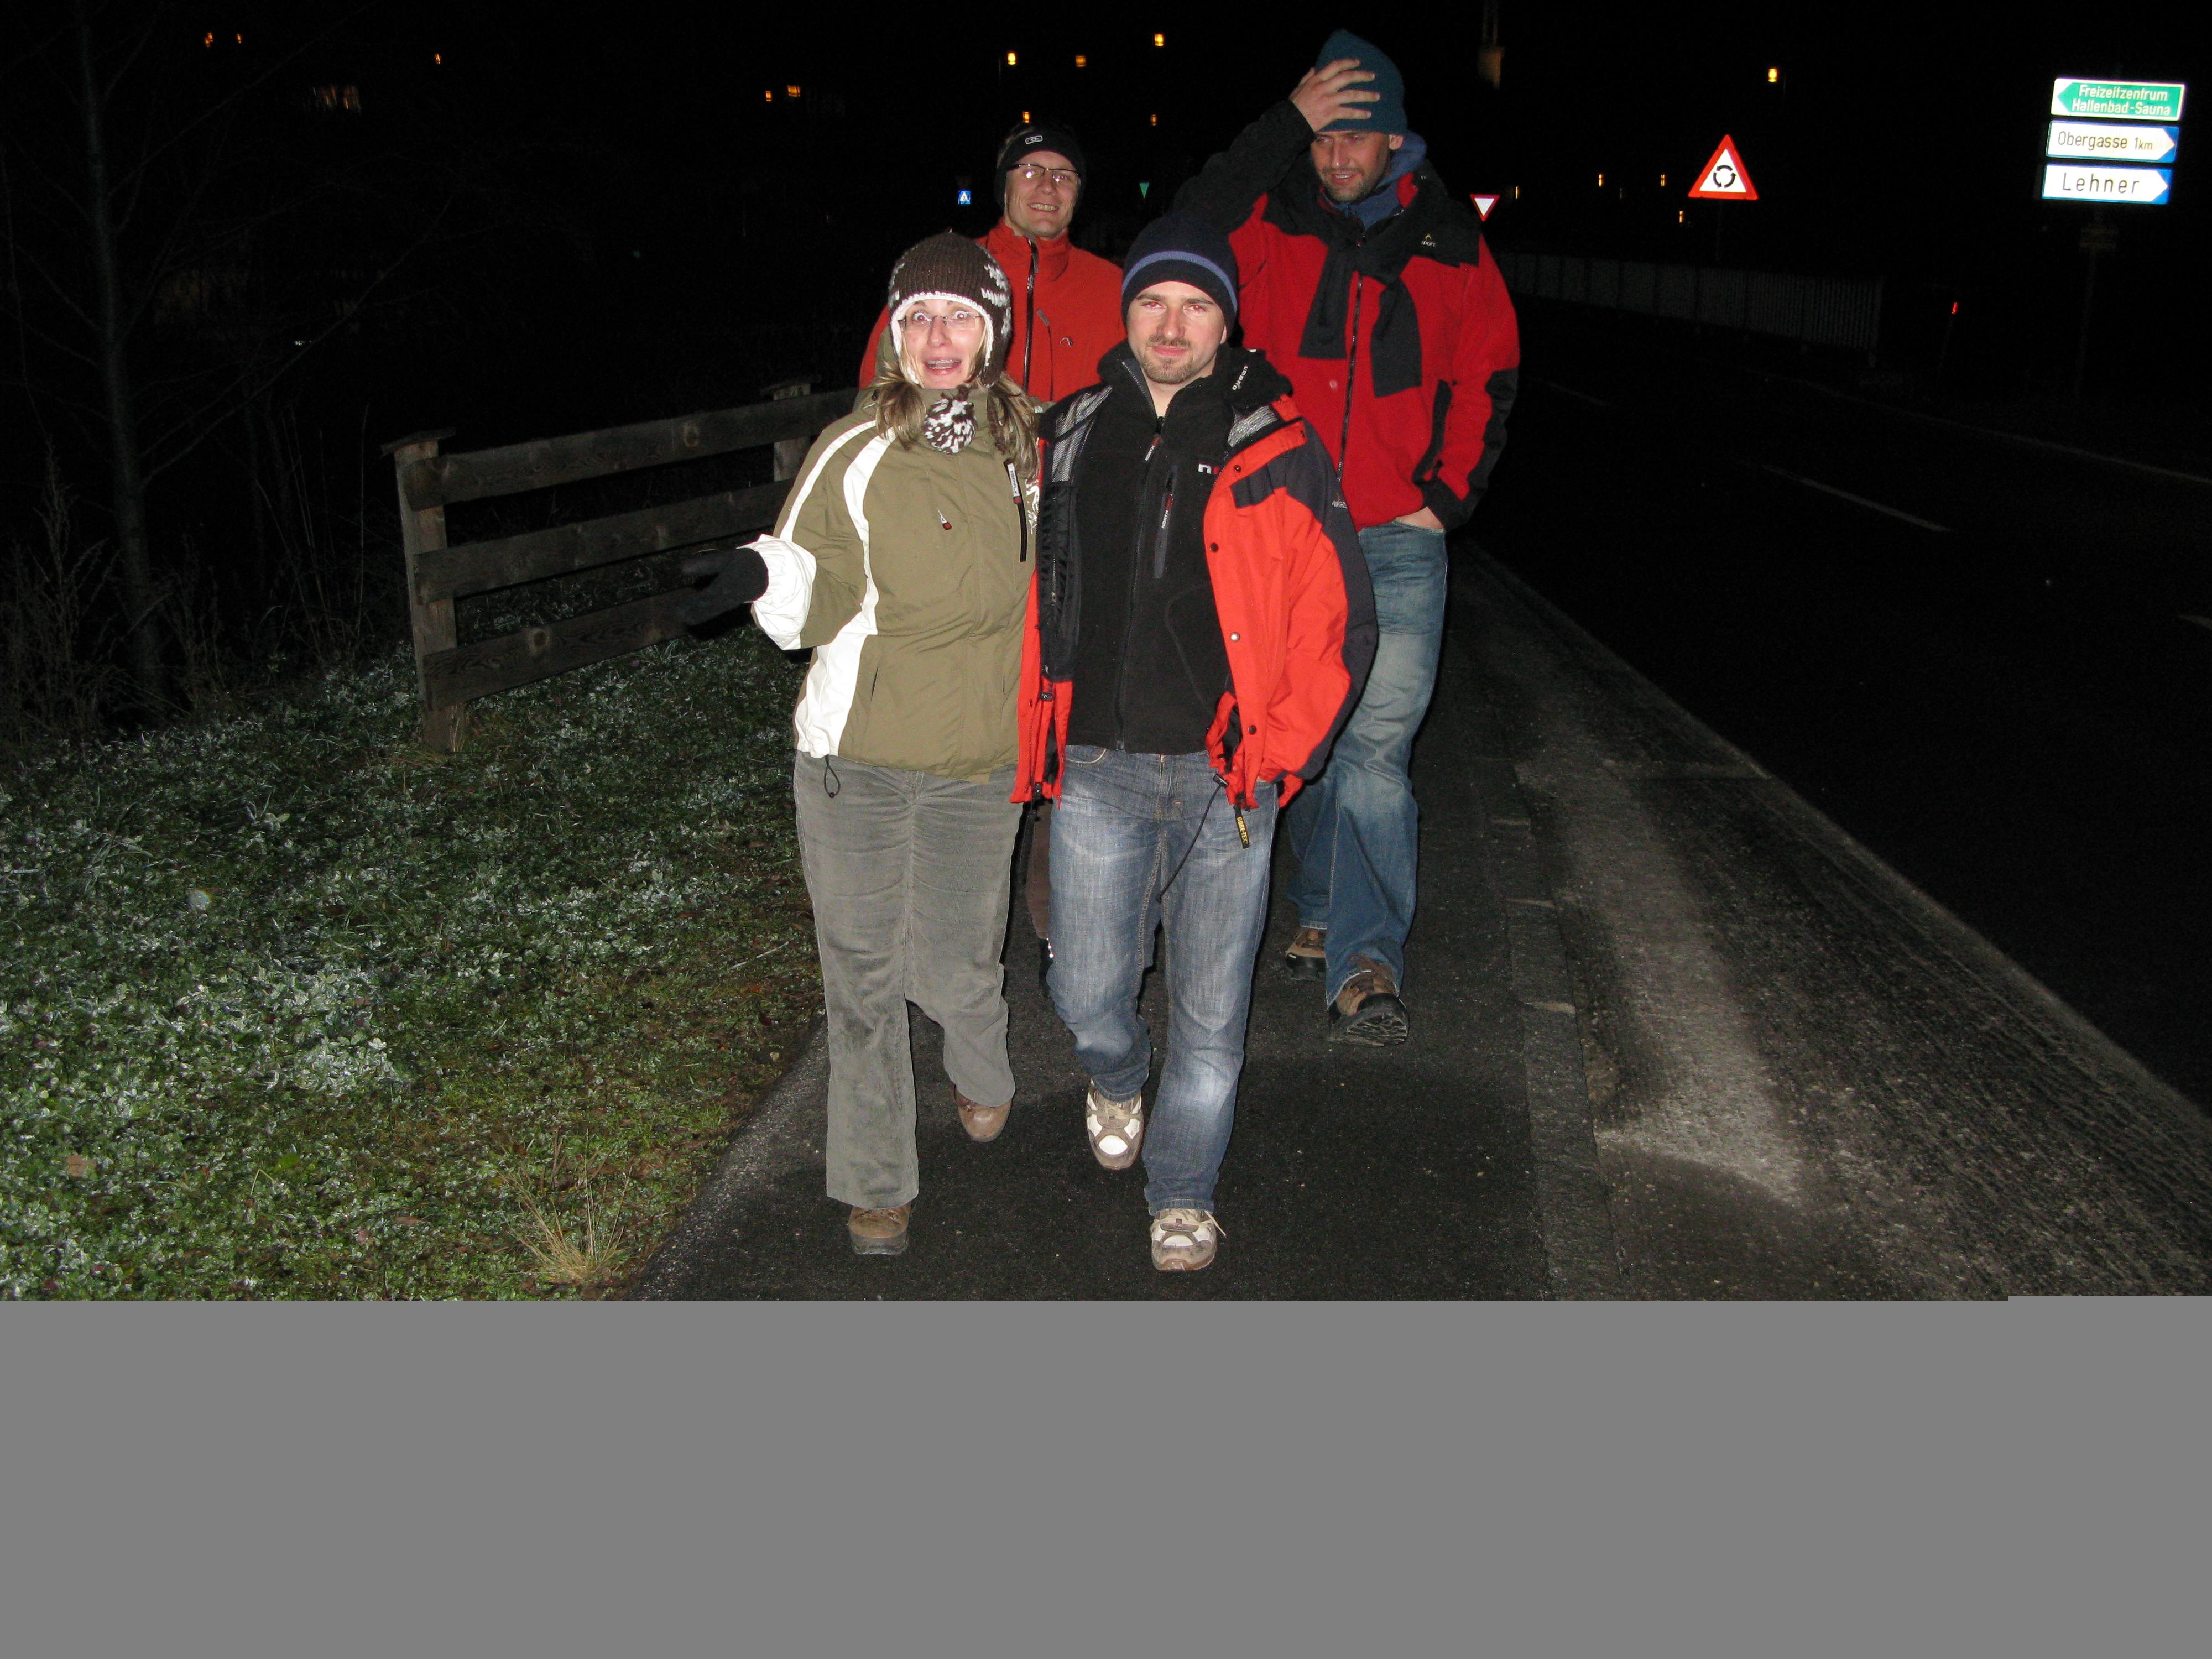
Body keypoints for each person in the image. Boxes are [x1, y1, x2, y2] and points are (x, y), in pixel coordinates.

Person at [1015, 213, 1376, 1271]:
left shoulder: (1280, 448)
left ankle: (1182, 1191)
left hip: (1230, 779)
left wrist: (1282, 756)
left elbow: (1340, 622)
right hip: (1098, 764)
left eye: (1196, 306)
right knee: (1086, 992)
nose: (1171, 326)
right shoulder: (1069, 432)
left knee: (1214, 1018)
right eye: (1153, 303)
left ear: (1227, 324)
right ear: (1127, 314)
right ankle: (1117, 1073)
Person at [681, 233, 1037, 1258]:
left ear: (992, 332)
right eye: (919, 316)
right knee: (864, 979)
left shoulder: (1035, 453)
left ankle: (980, 1057)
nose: (939, 335)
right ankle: (877, 1180)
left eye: (960, 316)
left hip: (982, 760)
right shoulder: (853, 447)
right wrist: (763, 577)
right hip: (857, 759)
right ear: (894, 332)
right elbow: (814, 585)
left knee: (960, 965)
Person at [1176, 30, 1520, 1045]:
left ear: (1396, 142)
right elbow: (1185, 230)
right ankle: (1323, 909)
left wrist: (1444, 497)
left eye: (1355, 136)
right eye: (1322, 136)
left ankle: (1367, 958)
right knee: (1304, 736)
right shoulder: (1270, 221)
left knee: (1375, 746)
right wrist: (1282, 119)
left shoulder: (1451, 240)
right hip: (1286, 533)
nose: (1335, 157)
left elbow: (1490, 371)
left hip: (1398, 538)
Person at [859, 122, 1127, 984]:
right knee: (968, 733)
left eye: (1064, 174)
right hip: (961, 543)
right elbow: (878, 399)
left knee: (1066, 735)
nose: (1046, 186)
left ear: (1081, 191)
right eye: (1030, 171)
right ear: (1005, 181)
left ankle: (1057, 928)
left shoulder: (1113, 288)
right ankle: (944, 936)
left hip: (1075, 540)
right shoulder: (949, 276)